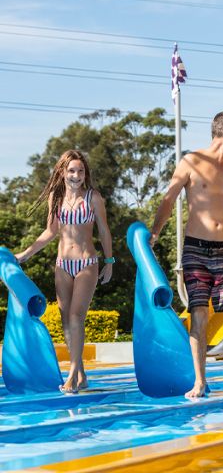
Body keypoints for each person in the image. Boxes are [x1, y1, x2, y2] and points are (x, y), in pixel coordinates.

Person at [150, 111, 223, 399]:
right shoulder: (191, 162)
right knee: (199, 314)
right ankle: (200, 381)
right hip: (196, 249)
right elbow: (168, 199)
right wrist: (154, 233)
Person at [15, 150, 114, 394]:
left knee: (76, 316)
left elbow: (104, 230)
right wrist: (25, 254)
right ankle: (80, 374)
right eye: (72, 171)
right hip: (62, 264)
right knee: (64, 318)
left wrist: (110, 261)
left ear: (85, 174)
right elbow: (50, 232)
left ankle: (71, 375)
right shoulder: (55, 199)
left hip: (86, 262)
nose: (76, 175)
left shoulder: (93, 198)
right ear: (62, 172)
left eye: (81, 171)